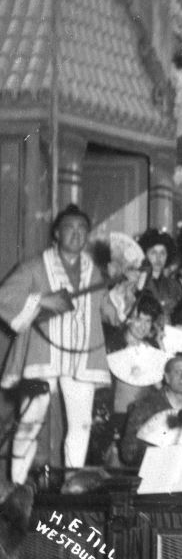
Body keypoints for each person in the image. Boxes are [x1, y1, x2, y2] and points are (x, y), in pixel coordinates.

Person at [0, 205, 112, 484]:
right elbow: (4, 298)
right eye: (70, 228)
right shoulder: (34, 266)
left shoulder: (94, 272)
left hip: (82, 357)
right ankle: (16, 486)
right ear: (56, 233)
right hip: (41, 353)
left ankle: (72, 484)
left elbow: (109, 311)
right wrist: (40, 300)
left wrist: (124, 292)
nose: (77, 234)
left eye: (82, 229)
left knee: (81, 423)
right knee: (30, 420)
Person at [137, 228, 182, 322]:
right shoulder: (137, 282)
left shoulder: (174, 286)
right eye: (153, 253)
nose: (158, 258)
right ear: (145, 255)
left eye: (162, 253)